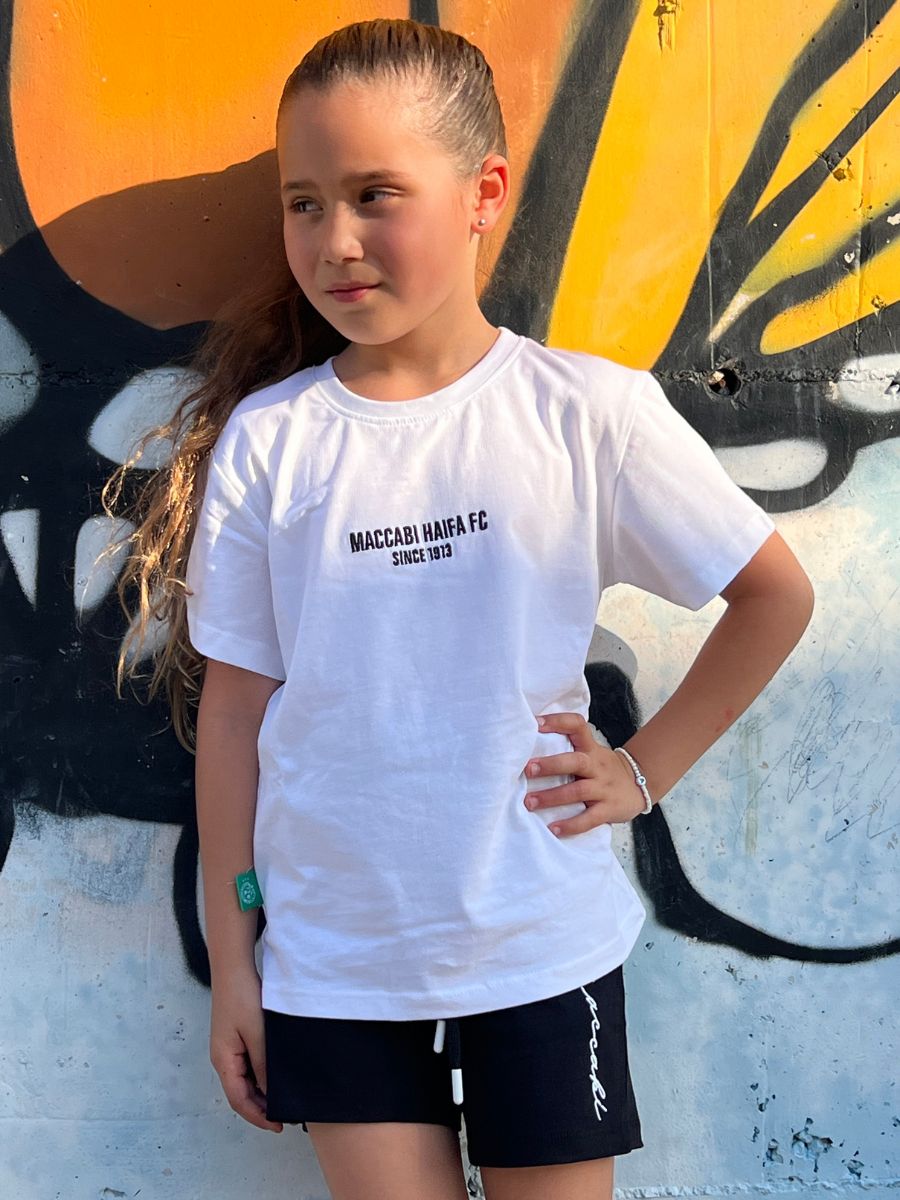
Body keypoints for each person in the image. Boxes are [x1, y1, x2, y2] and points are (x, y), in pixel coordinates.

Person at [101, 17, 815, 1200]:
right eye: (303, 204)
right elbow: (234, 715)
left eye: (375, 195)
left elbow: (773, 594)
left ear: (484, 193)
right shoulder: (271, 443)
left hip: (540, 944)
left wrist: (643, 773)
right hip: (335, 966)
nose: (335, 241)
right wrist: (236, 958)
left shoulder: (585, 414)